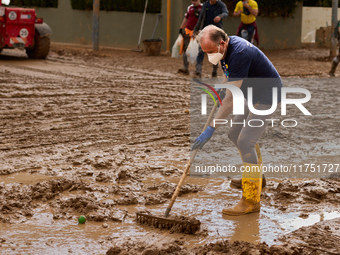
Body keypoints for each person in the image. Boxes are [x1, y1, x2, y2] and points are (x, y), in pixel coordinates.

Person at [193, 25, 282, 216]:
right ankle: (257, 177)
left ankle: (250, 201)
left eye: (210, 51)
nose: (209, 57)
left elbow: (231, 100)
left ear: (222, 43)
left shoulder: (240, 53)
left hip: (268, 95)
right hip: (252, 93)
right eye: (206, 52)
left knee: (245, 140)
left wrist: (210, 129)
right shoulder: (226, 48)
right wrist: (223, 87)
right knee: (234, 134)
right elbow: (230, 76)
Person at [193, 0, 228, 78]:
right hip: (205, 33)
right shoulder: (205, 5)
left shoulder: (220, 5)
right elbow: (200, 18)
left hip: (216, 34)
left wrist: (220, 16)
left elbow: (226, 13)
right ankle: (198, 71)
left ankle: (214, 72)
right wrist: (196, 30)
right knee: (201, 52)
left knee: (216, 52)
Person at [178, 0, 203, 75]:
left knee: (199, 51)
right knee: (185, 49)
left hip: (198, 33)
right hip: (188, 31)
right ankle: (185, 68)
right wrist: (181, 27)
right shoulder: (190, 8)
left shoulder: (203, 8)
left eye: (195, 0)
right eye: (192, 0)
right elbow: (186, 18)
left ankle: (198, 70)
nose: (193, 2)